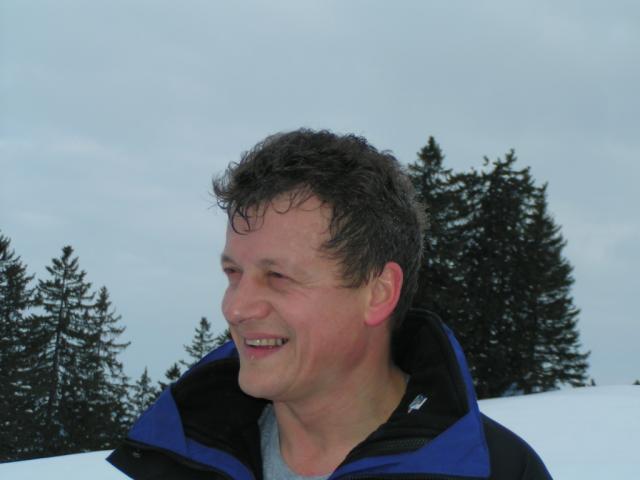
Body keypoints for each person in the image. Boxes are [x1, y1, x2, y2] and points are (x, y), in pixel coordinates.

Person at [108, 129, 552, 479]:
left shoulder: (495, 472)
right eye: (233, 273)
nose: (236, 308)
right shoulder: (181, 460)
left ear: (378, 292)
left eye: (277, 277)